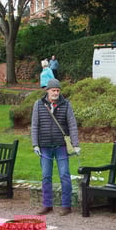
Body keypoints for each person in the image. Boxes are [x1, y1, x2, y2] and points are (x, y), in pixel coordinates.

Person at [31, 79, 81, 216]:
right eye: (53, 90)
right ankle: (47, 205)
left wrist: (75, 145)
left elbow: (72, 125)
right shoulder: (38, 104)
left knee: (64, 175)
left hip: (61, 146)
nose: (56, 93)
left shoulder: (66, 105)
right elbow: (34, 126)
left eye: (58, 91)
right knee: (46, 176)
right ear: (47, 90)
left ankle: (66, 205)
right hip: (45, 146)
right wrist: (35, 144)